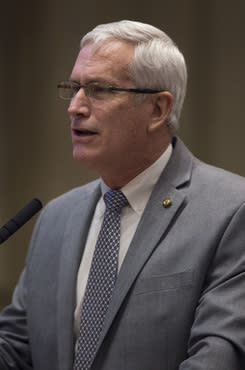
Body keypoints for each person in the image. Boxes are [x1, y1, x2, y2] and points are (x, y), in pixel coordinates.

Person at [0, 20, 245, 370]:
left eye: (99, 90)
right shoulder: (56, 217)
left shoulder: (232, 211)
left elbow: (219, 357)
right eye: (74, 88)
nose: (75, 107)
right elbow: (17, 348)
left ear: (158, 110)